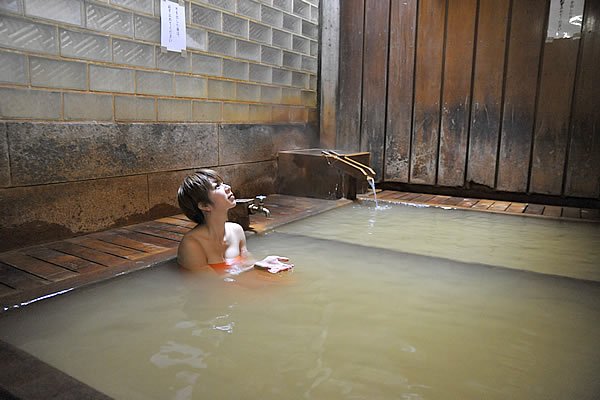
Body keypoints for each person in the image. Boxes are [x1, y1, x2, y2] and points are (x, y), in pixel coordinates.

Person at [176, 169, 293, 275]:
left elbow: (247, 262)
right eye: (217, 186)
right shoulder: (192, 244)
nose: (227, 187)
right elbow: (210, 285)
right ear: (204, 205)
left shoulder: (236, 230)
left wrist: (265, 263)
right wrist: (253, 269)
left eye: (222, 183)